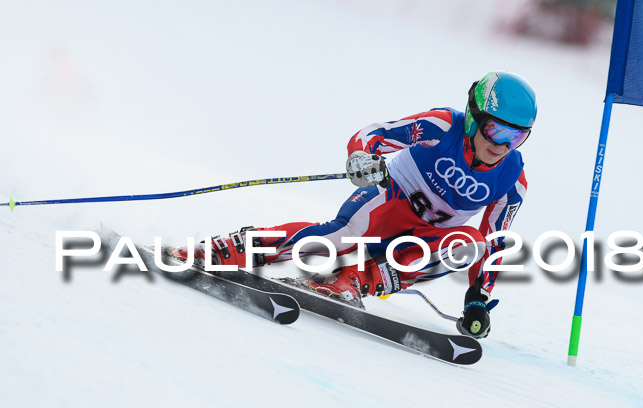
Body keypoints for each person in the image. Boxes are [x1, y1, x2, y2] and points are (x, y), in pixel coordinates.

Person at [170, 70, 537, 339]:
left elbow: (493, 240)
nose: (502, 145)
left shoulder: (512, 180)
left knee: (470, 243)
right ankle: (223, 250)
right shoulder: (442, 126)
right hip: (389, 200)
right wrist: (363, 156)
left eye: (516, 136)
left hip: (422, 241)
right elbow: (374, 134)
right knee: (337, 240)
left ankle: (354, 281)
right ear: (474, 116)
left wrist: (478, 295)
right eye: (496, 130)